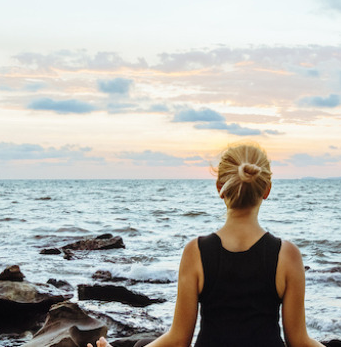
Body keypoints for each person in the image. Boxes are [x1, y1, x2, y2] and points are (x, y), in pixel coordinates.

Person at [89, 142, 325, 347]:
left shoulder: (196, 252)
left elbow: (179, 339)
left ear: (219, 188)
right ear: (267, 190)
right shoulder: (287, 254)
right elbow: (299, 341)